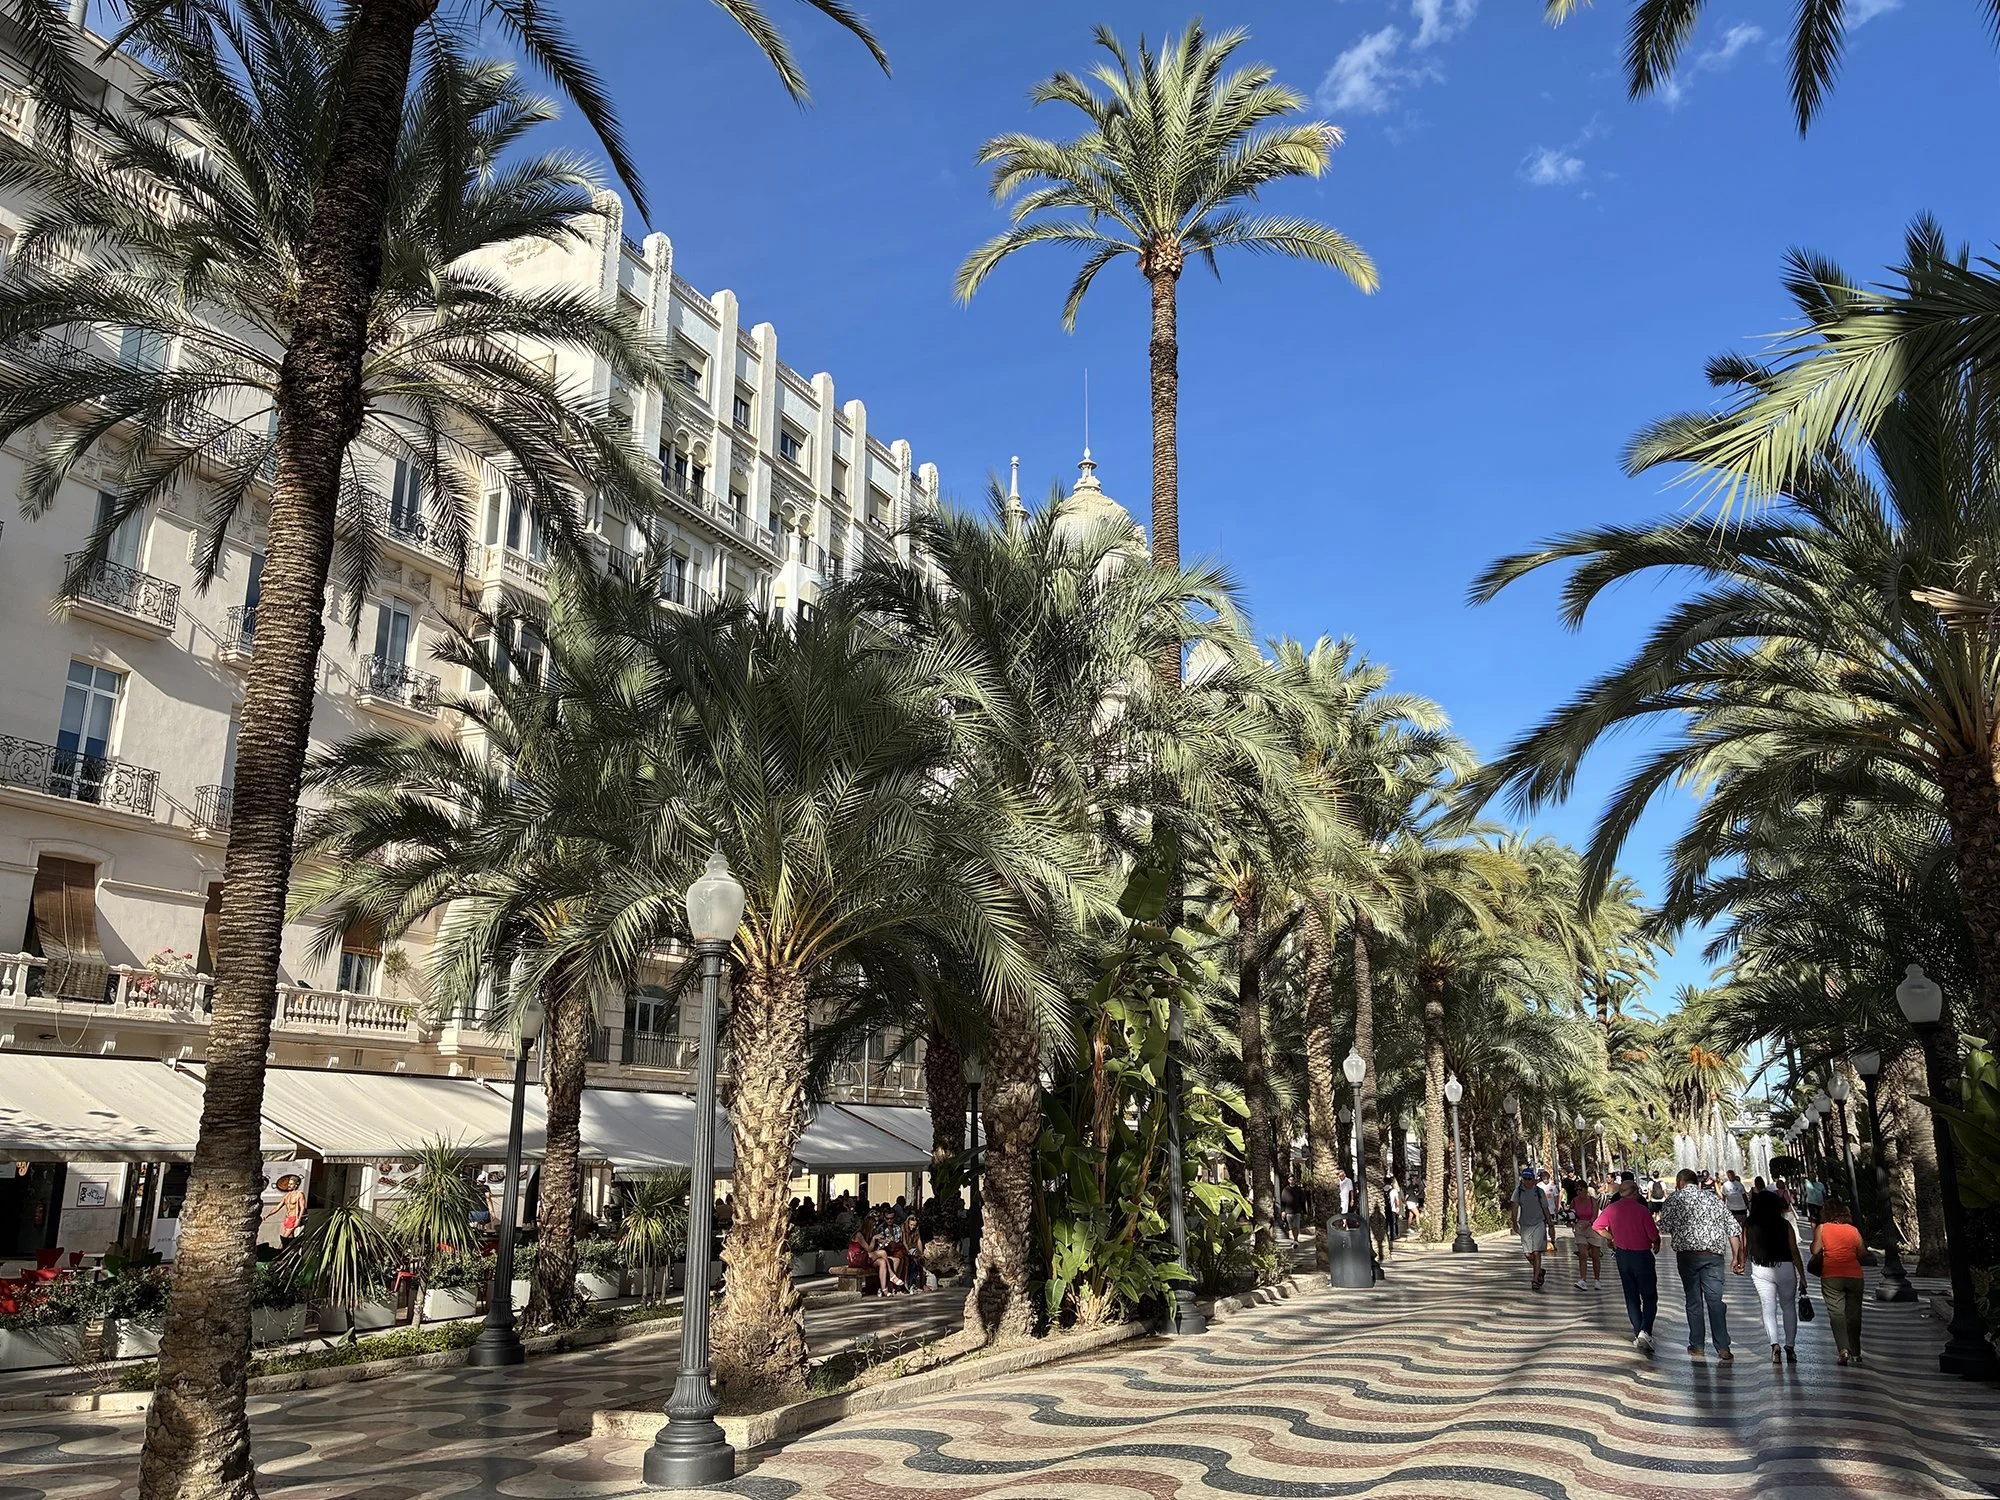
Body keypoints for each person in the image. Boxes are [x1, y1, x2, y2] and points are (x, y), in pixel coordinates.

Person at [1657, 1168, 1744, 1361]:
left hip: (1687, 1257)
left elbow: (1663, 1226)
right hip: (1713, 1256)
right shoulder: (1713, 1199)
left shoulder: (1674, 1199)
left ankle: (1697, 1345)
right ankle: (1723, 1346)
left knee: (1693, 1300)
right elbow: (1733, 1228)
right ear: (1696, 1183)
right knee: (1715, 1301)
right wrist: (1736, 1257)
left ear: (1679, 1183)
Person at [1598, 1173, 1662, 1353]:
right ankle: (1645, 1330)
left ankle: (1637, 1330)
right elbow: (1653, 1235)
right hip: (1642, 1256)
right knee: (1649, 1295)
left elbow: (1597, 1227)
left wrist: (1612, 1238)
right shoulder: (1642, 1210)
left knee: (1631, 1295)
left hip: (1622, 1256)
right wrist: (1657, 1242)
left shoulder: (1612, 1208)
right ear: (1634, 1193)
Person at [1744, 1188, 1807, 1364]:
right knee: (1788, 1307)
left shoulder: (1749, 1225)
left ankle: (1774, 1345)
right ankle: (1790, 1346)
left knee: (1768, 1307)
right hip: (1785, 1268)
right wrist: (1802, 1275)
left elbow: (1744, 1247)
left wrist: (1740, 1262)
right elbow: (1794, 1251)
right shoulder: (1785, 1225)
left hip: (1760, 1269)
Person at [1812, 1198, 1868, 1366]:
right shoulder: (1853, 1230)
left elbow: (1815, 1250)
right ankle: (1856, 1353)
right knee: (1854, 1315)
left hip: (1831, 1276)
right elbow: (1862, 1252)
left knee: (1836, 1314)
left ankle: (1843, 1349)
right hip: (1854, 1275)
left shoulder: (1822, 1228)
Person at [1509, 1167, 1555, 1292]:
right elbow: (1514, 1206)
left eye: (1529, 1179)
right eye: (1525, 1179)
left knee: (1536, 1251)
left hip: (1539, 1223)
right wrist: (1514, 1222)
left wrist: (1550, 1224)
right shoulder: (1518, 1192)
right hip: (1525, 1225)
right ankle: (1539, 1270)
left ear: (1533, 1179)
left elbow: (1545, 1208)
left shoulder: (1539, 1192)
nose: (1527, 1181)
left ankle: (1535, 1279)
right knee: (1527, 1253)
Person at [1570, 1177, 1605, 1291]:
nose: (1578, 1192)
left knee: (1595, 1256)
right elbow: (1571, 1214)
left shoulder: (1592, 1201)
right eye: (1576, 1190)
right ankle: (1583, 1280)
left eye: (1580, 1189)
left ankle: (1597, 1280)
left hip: (1592, 1228)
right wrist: (1571, 1221)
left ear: (1586, 1189)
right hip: (1580, 1228)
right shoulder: (1574, 1201)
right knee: (1582, 1254)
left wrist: (1589, 1223)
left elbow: (1594, 1215)